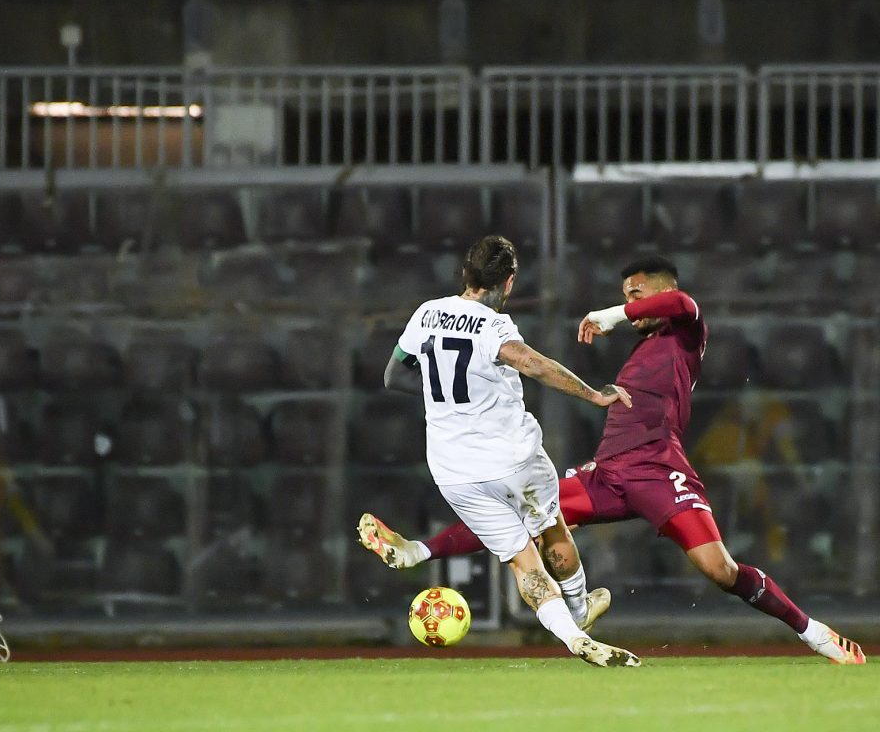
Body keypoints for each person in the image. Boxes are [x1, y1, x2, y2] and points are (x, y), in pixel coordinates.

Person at [360, 255, 866, 666]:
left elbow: (684, 303)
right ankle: (419, 552)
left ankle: (815, 633)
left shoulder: (685, 335)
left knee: (720, 569)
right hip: (607, 475)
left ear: (663, 291)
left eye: (638, 294)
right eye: (625, 295)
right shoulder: (643, 349)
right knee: (521, 520)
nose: (632, 305)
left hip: (660, 472)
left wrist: (612, 314)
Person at [378, 234, 640, 667]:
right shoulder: (492, 325)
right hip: (512, 459)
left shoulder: (426, 313)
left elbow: (393, 375)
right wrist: (594, 395)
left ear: (466, 274)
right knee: (551, 528)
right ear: (509, 282)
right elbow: (533, 364)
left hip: (452, 471)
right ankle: (579, 608)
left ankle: (572, 637)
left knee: (523, 563)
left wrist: (449, 403)